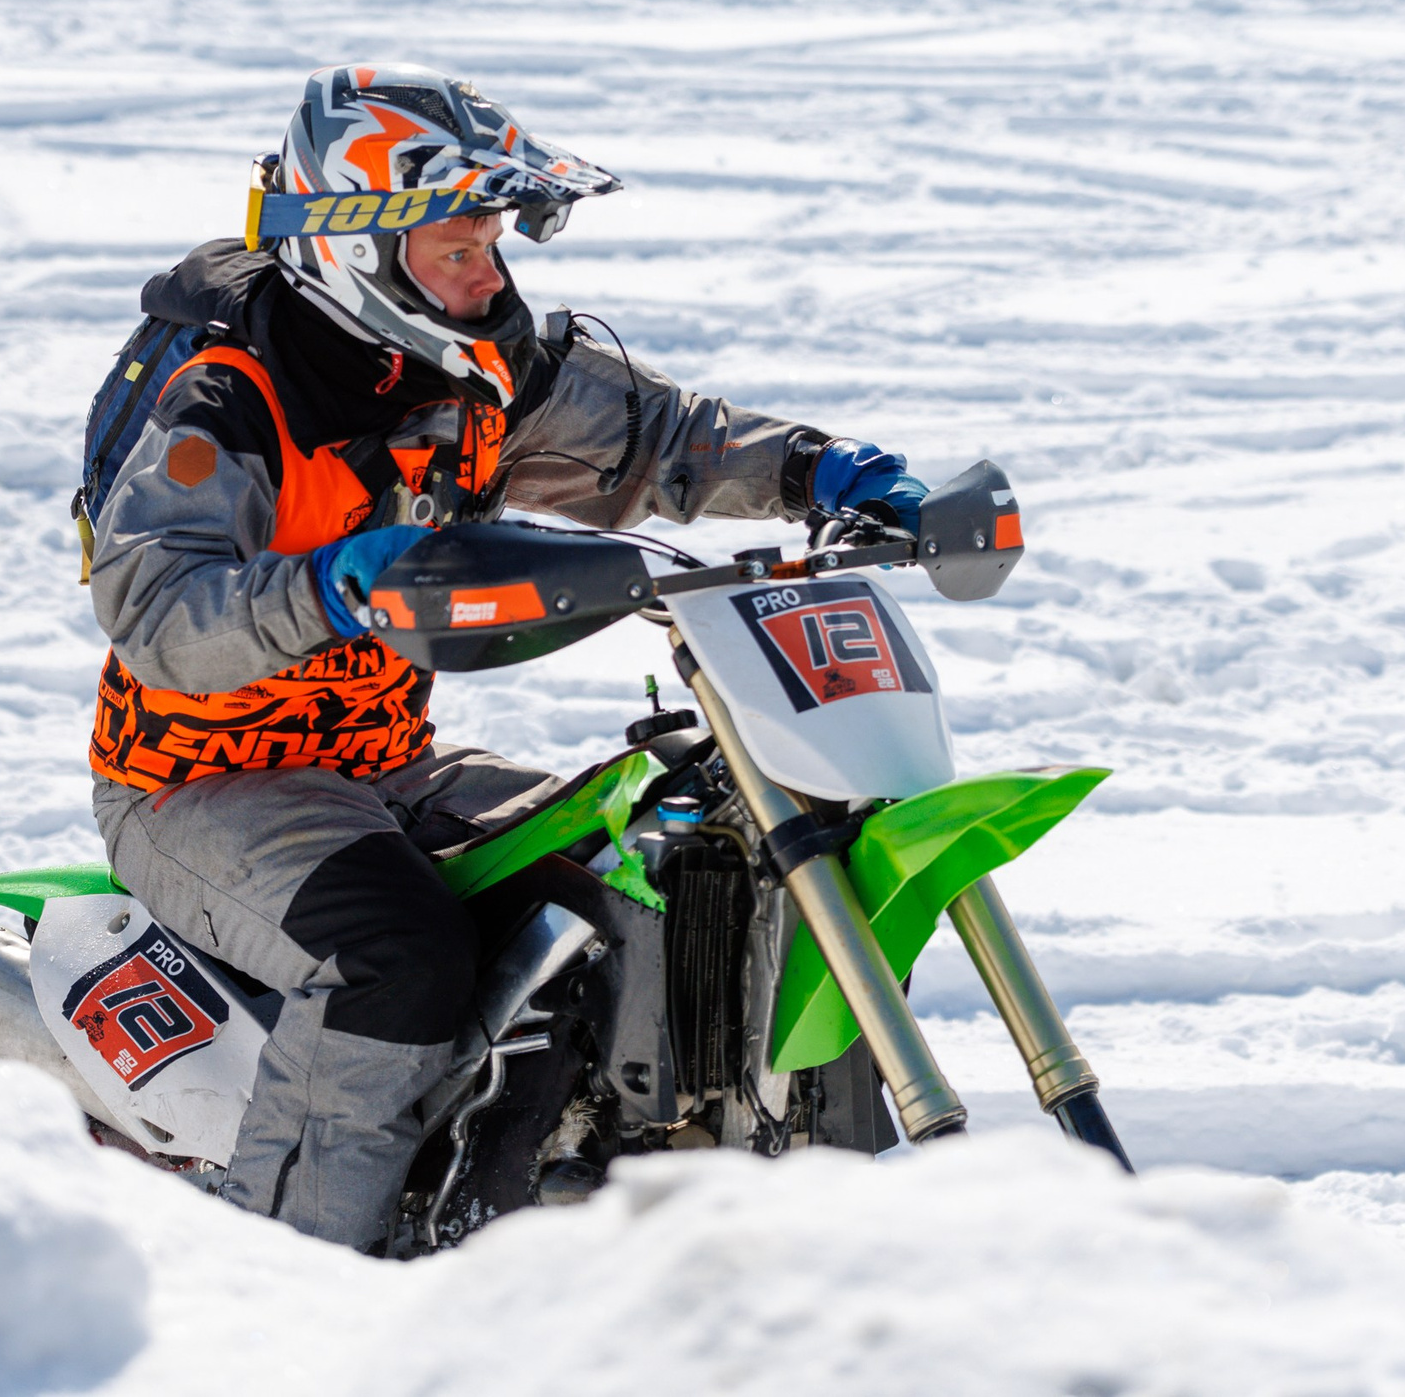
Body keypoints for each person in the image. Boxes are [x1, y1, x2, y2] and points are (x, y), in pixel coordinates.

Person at [84, 63, 926, 1250]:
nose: (490, 273)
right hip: (201, 788)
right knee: (400, 958)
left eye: (492, 239)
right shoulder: (227, 397)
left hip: (386, 764)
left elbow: (667, 441)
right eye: (456, 244)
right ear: (353, 248)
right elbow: (158, 616)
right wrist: (335, 586)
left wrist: (818, 471)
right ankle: (288, 1281)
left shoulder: (484, 369)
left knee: (644, 869)